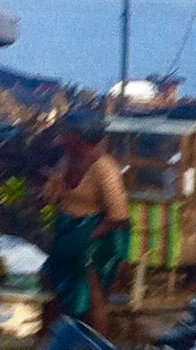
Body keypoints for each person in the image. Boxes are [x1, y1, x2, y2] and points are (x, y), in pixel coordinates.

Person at [38, 117, 129, 334]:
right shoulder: (67, 160)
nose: (62, 138)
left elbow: (119, 215)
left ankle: (98, 349)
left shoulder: (105, 168)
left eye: (67, 133)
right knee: (53, 282)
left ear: (81, 139)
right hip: (69, 230)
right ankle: (59, 340)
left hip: (101, 235)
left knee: (93, 293)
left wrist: (86, 238)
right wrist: (54, 179)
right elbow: (52, 198)